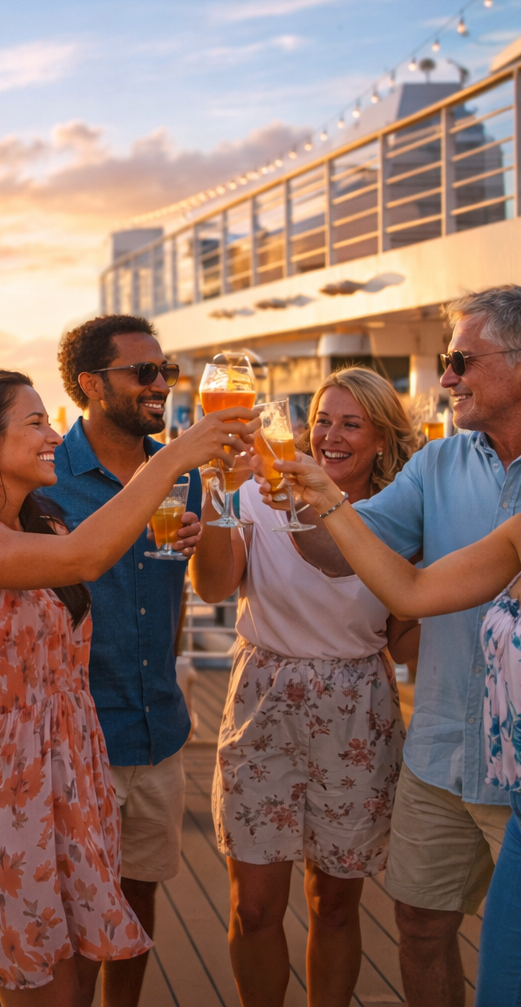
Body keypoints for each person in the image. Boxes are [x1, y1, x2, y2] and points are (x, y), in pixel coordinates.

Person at [0, 369, 256, 1006]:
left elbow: (100, 558)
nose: (52, 435)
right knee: (40, 985)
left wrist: (186, 533)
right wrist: (179, 453)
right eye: (35, 422)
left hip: (71, 773)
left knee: (18, 980)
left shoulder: (43, 525)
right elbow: (83, 563)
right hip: (4, 787)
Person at [276, 285, 521, 1006]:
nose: (445, 377)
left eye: (460, 359)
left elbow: (400, 586)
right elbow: (343, 551)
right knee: (419, 924)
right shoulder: (436, 467)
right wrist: (289, 493)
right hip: (442, 751)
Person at [191, 368, 420, 1007]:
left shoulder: (399, 514)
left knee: (336, 904)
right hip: (264, 696)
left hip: (357, 709)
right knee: (255, 905)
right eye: (321, 419)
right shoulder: (261, 494)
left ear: (381, 439)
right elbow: (212, 588)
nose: (330, 435)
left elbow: (406, 634)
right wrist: (218, 495)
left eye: (351, 423)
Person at [45, 315, 205, 1007]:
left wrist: (212, 526)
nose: (159, 385)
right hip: (79, 735)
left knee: (138, 892)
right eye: (143, 373)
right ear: (90, 384)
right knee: (76, 913)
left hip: (158, 728)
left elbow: (193, 593)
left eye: (163, 372)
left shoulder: (182, 473)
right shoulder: (45, 478)